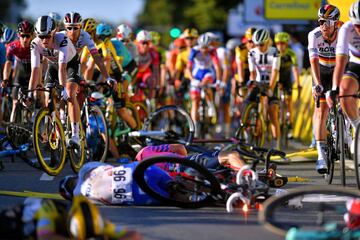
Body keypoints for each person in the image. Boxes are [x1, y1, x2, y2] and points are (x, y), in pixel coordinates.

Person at [59, 143, 246, 205]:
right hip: (166, 168)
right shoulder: (144, 152)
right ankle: (247, 176)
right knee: (230, 155)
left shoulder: (83, 197)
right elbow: (180, 149)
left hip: (142, 193)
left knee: (177, 191)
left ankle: (216, 198)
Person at [27, 15, 81, 148]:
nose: (44, 40)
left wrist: (63, 88)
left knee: (69, 94)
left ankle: (75, 135)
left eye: (47, 36)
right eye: (41, 36)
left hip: (71, 64)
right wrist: (29, 93)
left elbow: (63, 68)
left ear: (54, 33)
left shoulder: (62, 39)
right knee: (48, 98)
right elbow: (35, 70)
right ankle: (58, 130)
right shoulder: (34, 43)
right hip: (53, 65)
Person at [0, 196, 141, 240]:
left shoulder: (96, 222)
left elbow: (134, 235)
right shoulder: (48, 209)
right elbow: (45, 236)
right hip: (10, 226)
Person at [308, 4, 340, 173]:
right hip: (321, 71)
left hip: (339, 68)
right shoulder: (314, 35)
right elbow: (313, 61)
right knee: (321, 111)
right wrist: (317, 83)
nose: (323, 26)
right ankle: (321, 155)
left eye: (327, 22)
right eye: (321, 22)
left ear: (336, 22)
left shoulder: (343, 33)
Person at [327, 1, 360, 157]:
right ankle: (357, 127)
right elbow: (340, 63)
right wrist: (334, 88)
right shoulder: (346, 29)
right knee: (344, 91)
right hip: (356, 65)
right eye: (357, 26)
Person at [247, 28, 281, 149]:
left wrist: (270, 88)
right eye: (257, 44)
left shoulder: (275, 52)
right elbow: (252, 73)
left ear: (267, 42)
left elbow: (275, 71)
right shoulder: (252, 52)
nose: (259, 47)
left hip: (271, 82)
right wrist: (252, 83)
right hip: (259, 81)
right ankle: (248, 132)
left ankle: (275, 146)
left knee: (272, 113)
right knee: (248, 102)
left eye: (261, 44)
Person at [186, 33, 221, 136]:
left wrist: (218, 80)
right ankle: (195, 128)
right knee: (195, 101)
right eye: (202, 48)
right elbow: (188, 68)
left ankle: (210, 104)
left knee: (207, 81)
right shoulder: (194, 50)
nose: (204, 50)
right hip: (197, 73)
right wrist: (192, 79)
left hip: (208, 72)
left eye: (206, 48)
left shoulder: (213, 51)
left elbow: (217, 67)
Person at [2, 21, 34, 122]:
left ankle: (35, 123)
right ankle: (12, 131)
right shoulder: (13, 46)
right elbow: (8, 64)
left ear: (32, 36)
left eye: (28, 36)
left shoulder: (35, 47)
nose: (25, 39)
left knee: (37, 99)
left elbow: (41, 66)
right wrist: (5, 79)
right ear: (18, 35)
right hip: (20, 74)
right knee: (15, 103)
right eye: (22, 36)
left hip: (33, 73)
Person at [274, 31, 301, 139]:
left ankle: (289, 124)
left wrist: (298, 83)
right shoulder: (274, 53)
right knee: (275, 103)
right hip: (277, 79)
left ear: (287, 44)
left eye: (283, 43)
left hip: (286, 79)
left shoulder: (291, 53)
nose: (280, 46)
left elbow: (295, 69)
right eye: (278, 43)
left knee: (289, 101)